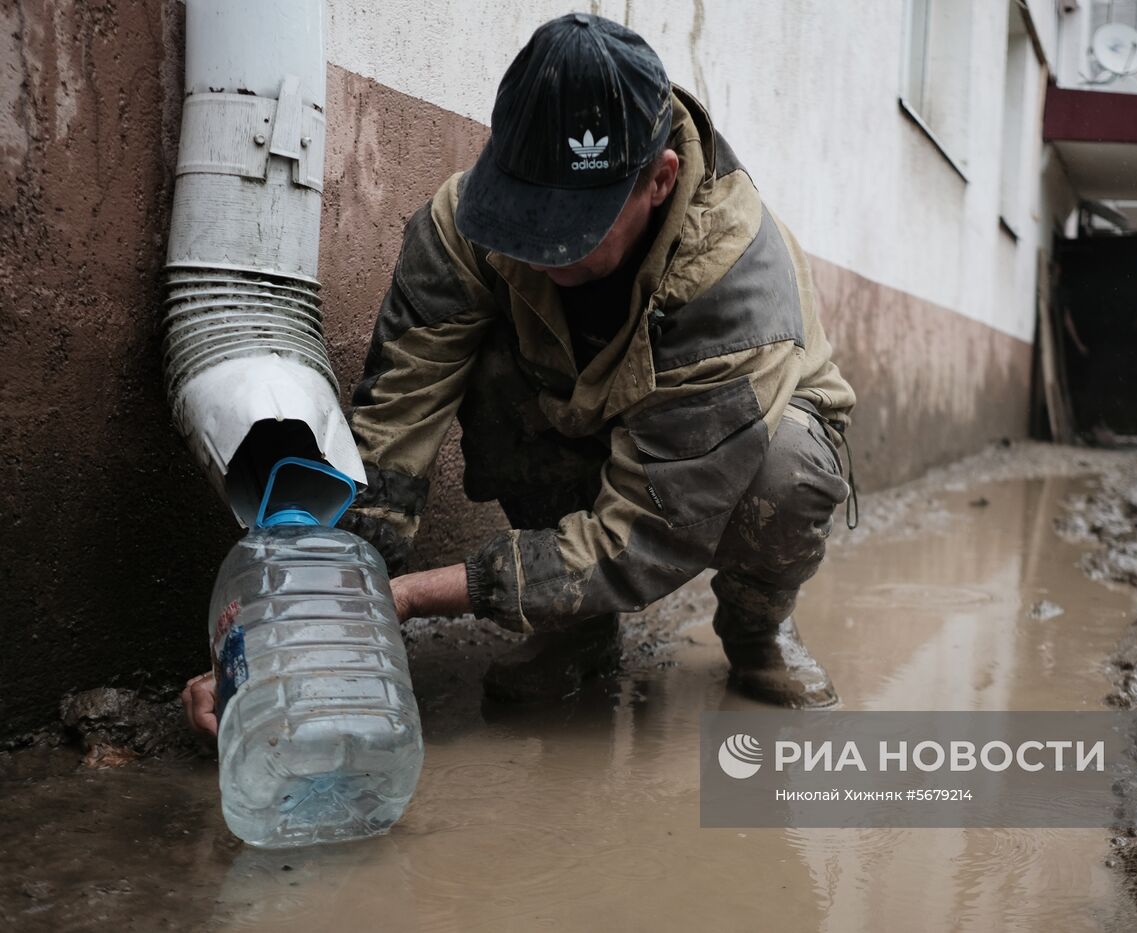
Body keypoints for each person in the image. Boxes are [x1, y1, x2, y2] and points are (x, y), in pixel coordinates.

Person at [183, 13, 856, 736]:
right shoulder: (463, 226)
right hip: (579, 406)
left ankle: (758, 625)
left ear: (659, 180)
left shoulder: (733, 284)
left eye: (571, 227)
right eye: (524, 214)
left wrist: (415, 595)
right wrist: (311, 612)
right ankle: (578, 628)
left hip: (729, 447)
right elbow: (391, 434)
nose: (538, 250)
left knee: (789, 465)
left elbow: (648, 533)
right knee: (495, 371)